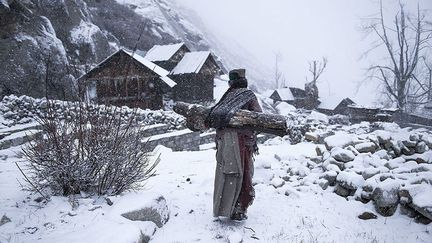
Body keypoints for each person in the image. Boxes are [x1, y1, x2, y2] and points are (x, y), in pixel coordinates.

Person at [205, 69, 262, 221]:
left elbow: (215, 117)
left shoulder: (227, 96)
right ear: (244, 80)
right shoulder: (248, 96)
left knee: (226, 174)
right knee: (242, 174)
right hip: (241, 142)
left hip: (225, 142)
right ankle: (238, 209)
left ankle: (224, 208)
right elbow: (259, 118)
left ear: (231, 82)